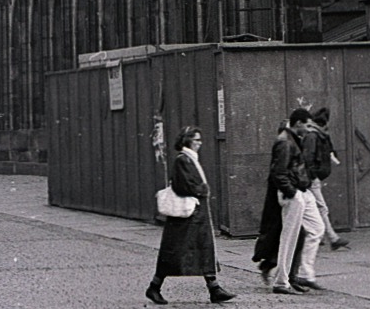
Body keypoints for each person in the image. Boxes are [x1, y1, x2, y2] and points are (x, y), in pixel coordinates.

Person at [146, 126, 235, 305]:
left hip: (196, 215)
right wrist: (202, 190)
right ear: (188, 141)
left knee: (202, 249)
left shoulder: (189, 159)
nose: (200, 143)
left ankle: (214, 287)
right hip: (188, 216)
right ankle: (154, 287)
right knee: (176, 252)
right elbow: (182, 185)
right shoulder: (183, 160)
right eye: (197, 140)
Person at [252, 109, 325, 295]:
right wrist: (292, 193)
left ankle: (295, 276)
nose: (309, 129)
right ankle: (283, 281)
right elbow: (279, 173)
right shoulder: (285, 141)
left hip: (300, 189)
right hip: (294, 191)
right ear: (298, 123)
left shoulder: (290, 139)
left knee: (315, 228)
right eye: (307, 125)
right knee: (290, 236)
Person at [302, 107, 349, 251]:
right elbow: (308, 158)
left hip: (312, 178)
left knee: (311, 208)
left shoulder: (314, 135)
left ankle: (319, 236)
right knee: (321, 207)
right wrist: (313, 177)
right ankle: (332, 237)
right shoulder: (314, 136)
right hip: (312, 179)